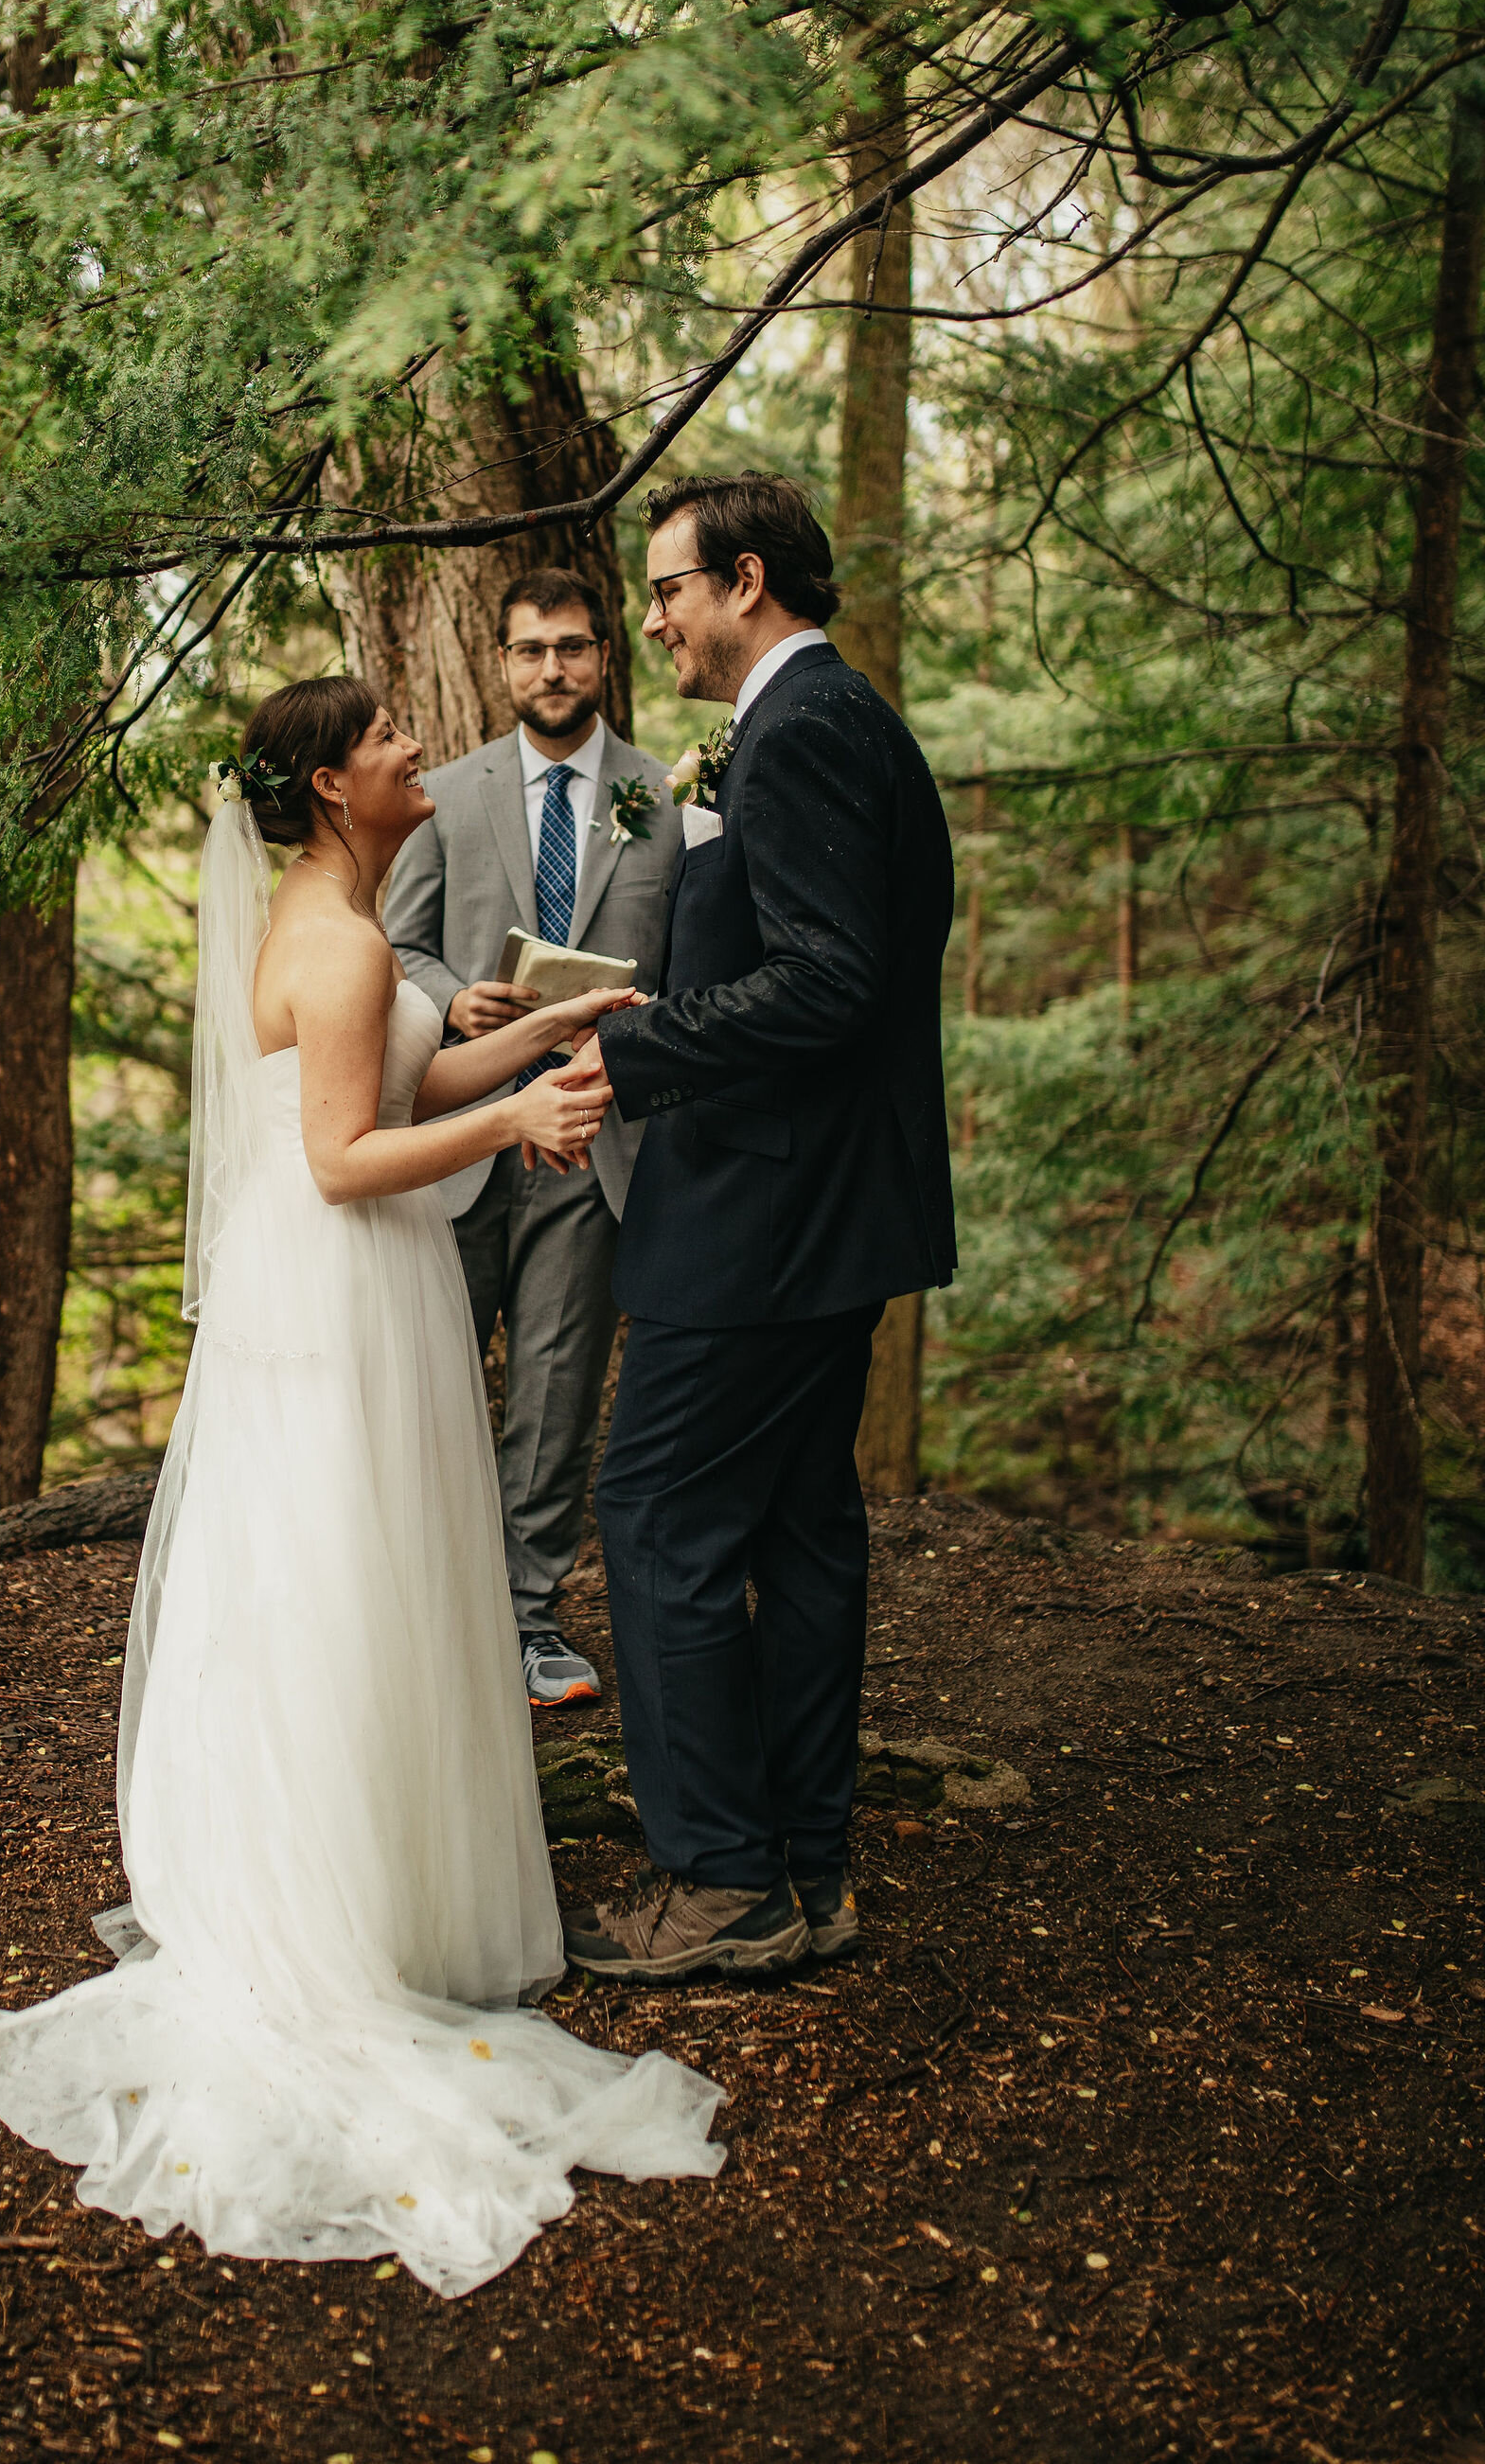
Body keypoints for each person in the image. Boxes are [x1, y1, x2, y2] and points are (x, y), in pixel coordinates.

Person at [0, 676, 721, 2296]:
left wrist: (536, 1034)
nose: (412, 756)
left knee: (338, 1588)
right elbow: (335, 1154)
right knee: (330, 1590)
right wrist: (518, 1109)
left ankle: (364, 1876)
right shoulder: (346, 936)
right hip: (335, 1284)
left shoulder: (342, 917)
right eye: (385, 742)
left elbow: (389, 1091)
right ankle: (324, 1907)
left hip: (336, 1287)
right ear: (328, 782)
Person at [550, 474, 957, 1983]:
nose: (650, 617)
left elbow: (834, 980)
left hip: (768, 1213)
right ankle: (802, 1868)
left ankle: (721, 1882)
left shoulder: (804, 733)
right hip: (815, 1203)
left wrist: (644, 1052)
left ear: (747, 579)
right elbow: (813, 964)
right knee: (799, 1531)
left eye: (666, 588)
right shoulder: (813, 728)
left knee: (654, 1516)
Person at [386, 568, 681, 1710]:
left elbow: (687, 964)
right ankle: (419, 1613)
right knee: (424, 1380)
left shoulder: (669, 796)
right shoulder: (442, 799)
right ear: (501, 662)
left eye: (569, 647)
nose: (549, 669)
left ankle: (524, 1625)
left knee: (555, 1392)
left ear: (603, 656)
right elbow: (397, 949)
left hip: (596, 1140)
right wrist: (453, 1000)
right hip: (458, 1133)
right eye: (528, 651)